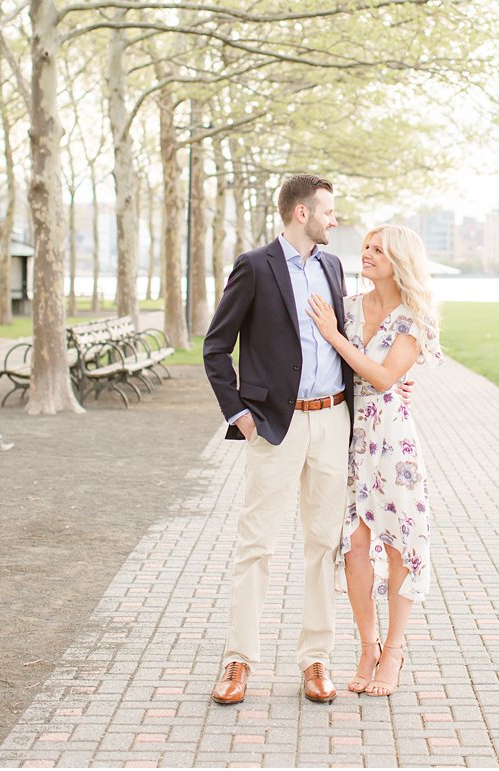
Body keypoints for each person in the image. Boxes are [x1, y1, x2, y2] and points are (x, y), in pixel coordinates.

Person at [202, 174, 354, 706]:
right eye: (328, 212)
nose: (335, 220)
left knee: (324, 544)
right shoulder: (254, 266)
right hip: (274, 423)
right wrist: (240, 414)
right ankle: (237, 661)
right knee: (256, 545)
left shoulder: (333, 266)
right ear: (300, 214)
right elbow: (216, 347)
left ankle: (316, 660)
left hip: (332, 420)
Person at [306, 225, 440, 697]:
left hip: (392, 440)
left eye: (377, 250)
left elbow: (385, 377)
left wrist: (334, 337)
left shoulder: (413, 317)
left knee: (400, 543)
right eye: (365, 246)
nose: (366, 254)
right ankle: (368, 645)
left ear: (399, 259)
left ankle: (395, 648)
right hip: (348, 433)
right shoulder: (346, 307)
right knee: (355, 546)